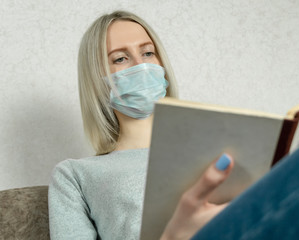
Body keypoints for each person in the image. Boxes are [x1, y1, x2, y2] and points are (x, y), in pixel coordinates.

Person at [49, 10, 234, 240]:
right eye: (120, 58)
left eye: (148, 53)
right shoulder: (75, 175)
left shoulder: (215, 154)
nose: (141, 65)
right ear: (96, 80)